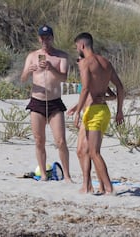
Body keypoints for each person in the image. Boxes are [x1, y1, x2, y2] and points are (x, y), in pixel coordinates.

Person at [70, 32, 124, 194]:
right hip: (103, 111)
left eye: (76, 47)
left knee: (94, 152)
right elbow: (120, 88)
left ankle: (108, 188)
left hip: (93, 112)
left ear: (82, 46)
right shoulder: (105, 62)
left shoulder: (86, 62)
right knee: (86, 150)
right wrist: (119, 111)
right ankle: (93, 186)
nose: (76, 50)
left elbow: (86, 88)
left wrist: (78, 112)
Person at [20, 24, 72, 182]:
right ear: (39, 39)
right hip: (37, 101)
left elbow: (64, 78)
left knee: (61, 141)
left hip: (55, 102)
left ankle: (68, 176)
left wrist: (51, 68)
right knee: (39, 140)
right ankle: (43, 174)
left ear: (52, 38)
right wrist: (29, 70)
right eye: (42, 38)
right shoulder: (32, 55)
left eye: (48, 38)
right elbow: (22, 79)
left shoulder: (61, 56)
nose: (45, 41)